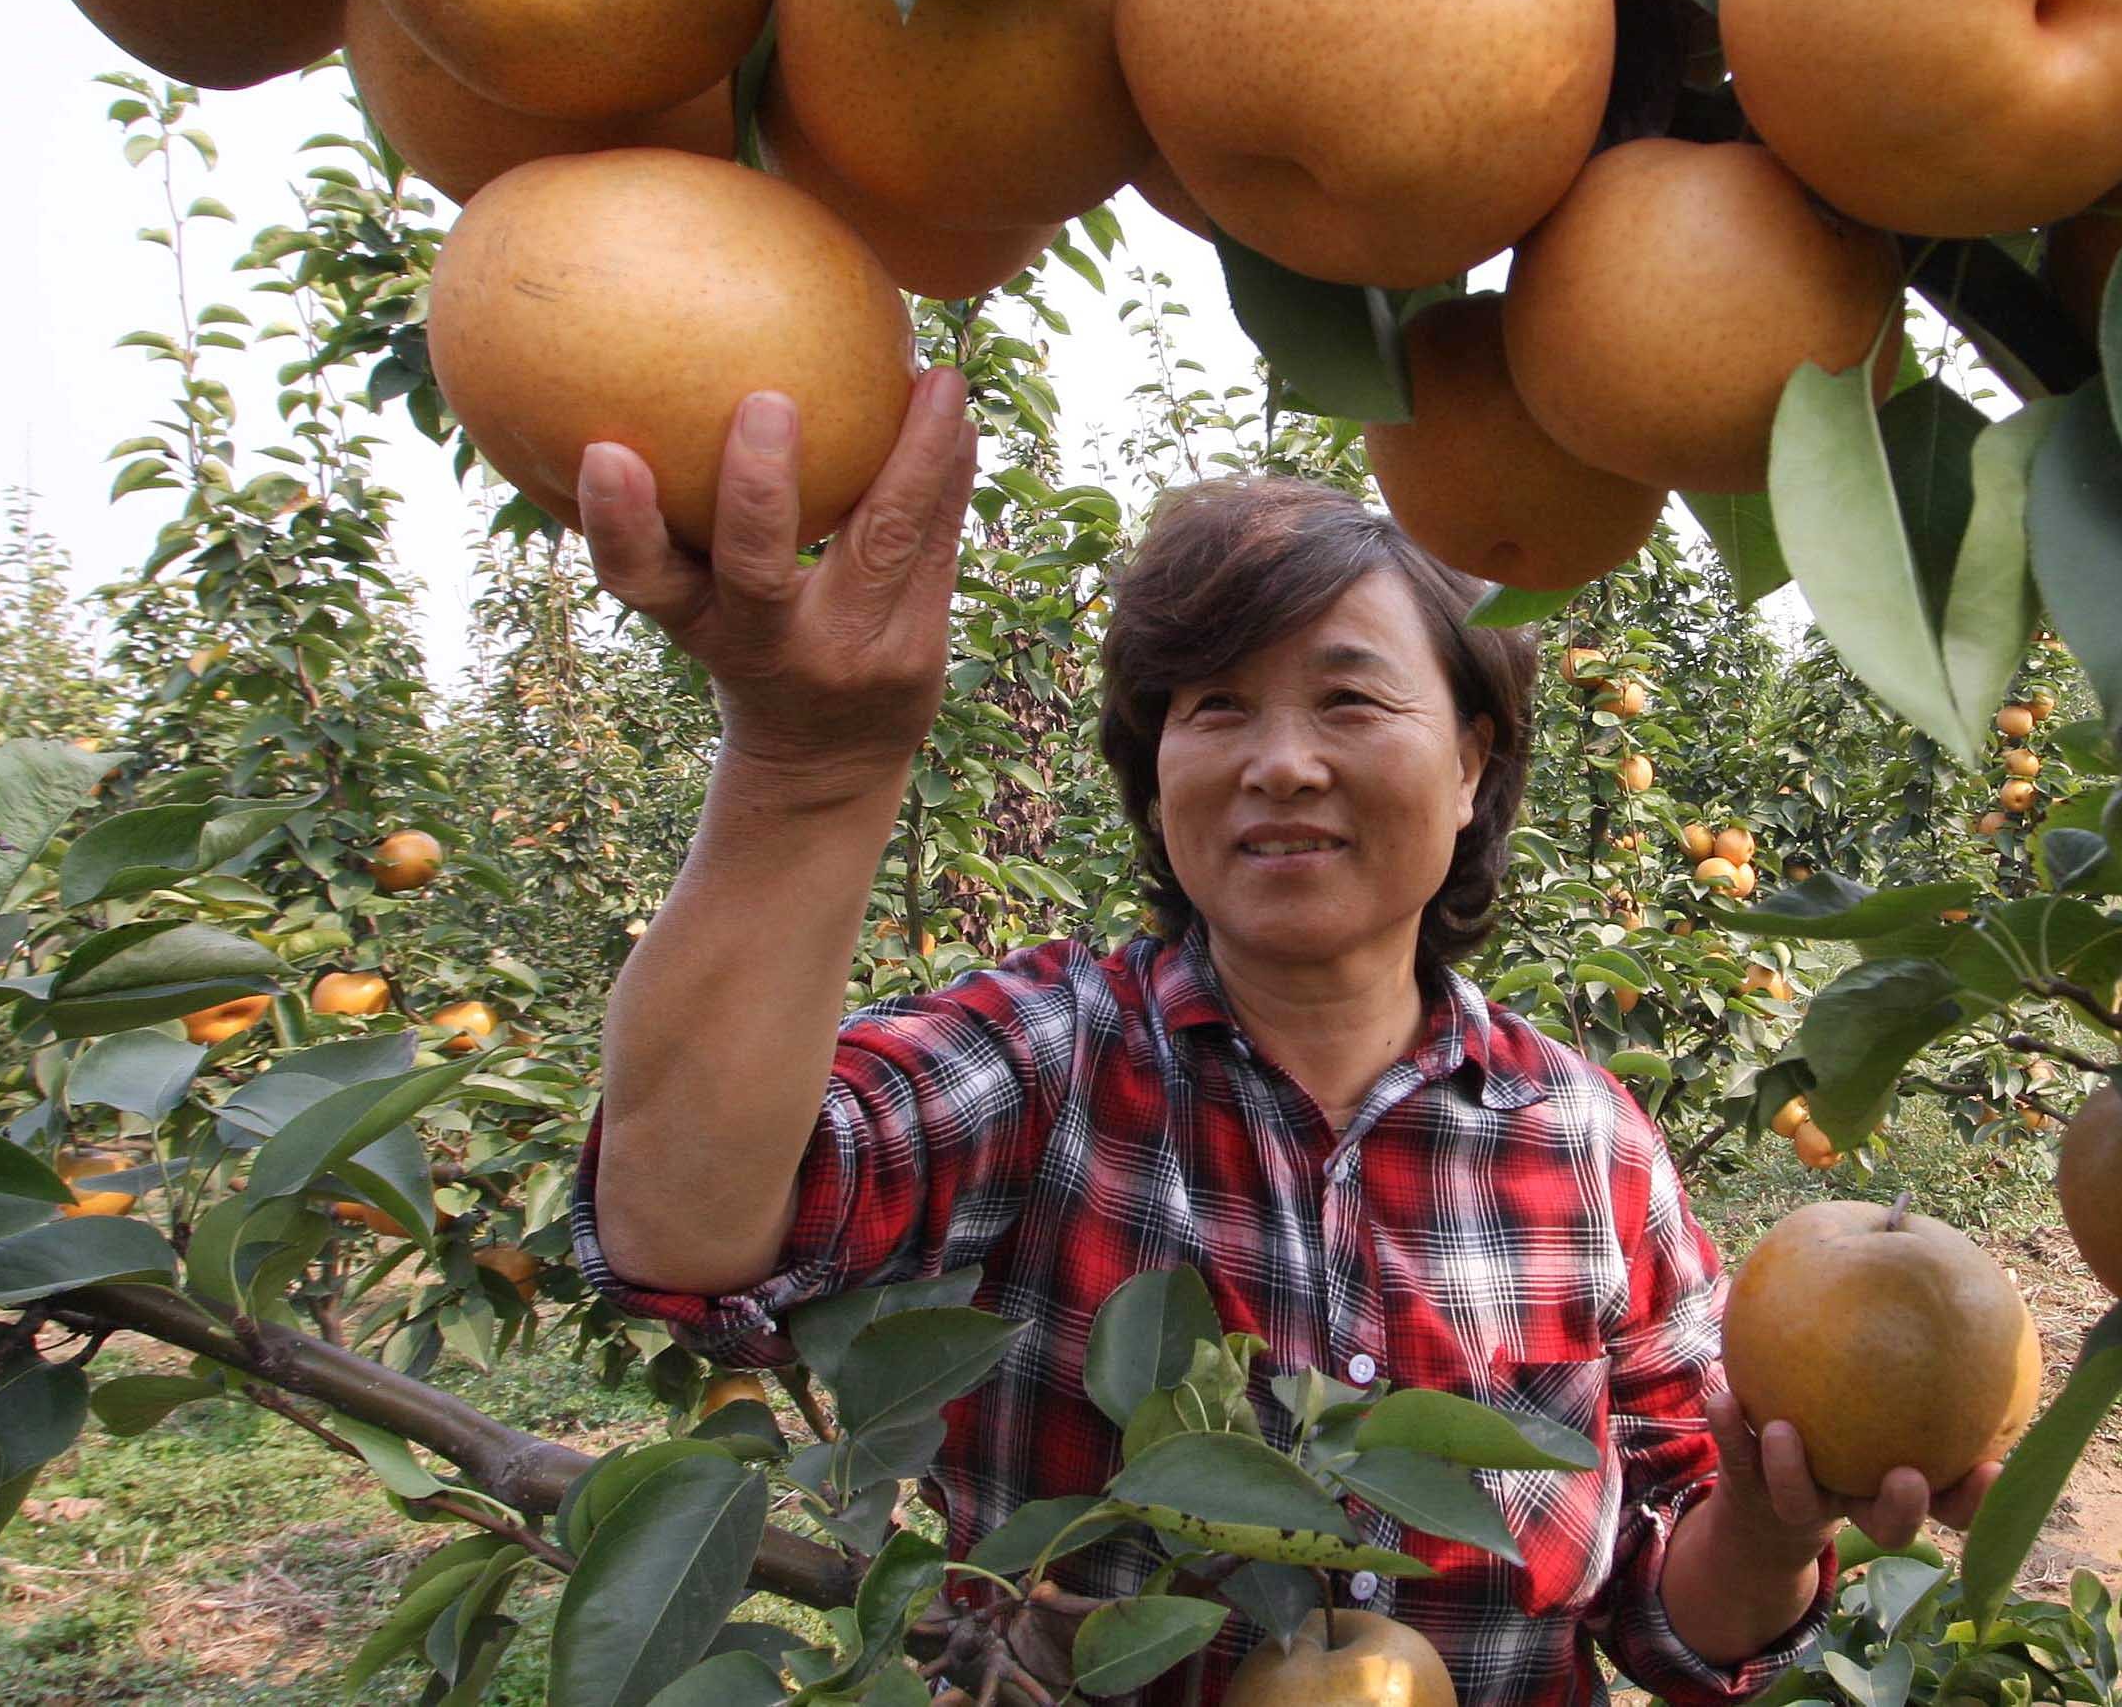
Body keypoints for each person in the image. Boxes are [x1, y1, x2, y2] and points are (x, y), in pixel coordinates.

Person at [568, 372, 1999, 1707]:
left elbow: (1671, 1616)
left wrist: (1768, 1522)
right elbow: (685, 1223)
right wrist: (808, 765)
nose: (1282, 761)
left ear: (1470, 760)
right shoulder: (1052, 1062)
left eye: (1351, 697)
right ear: (1155, 772)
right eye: (1216, 706)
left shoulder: (1586, 1145)